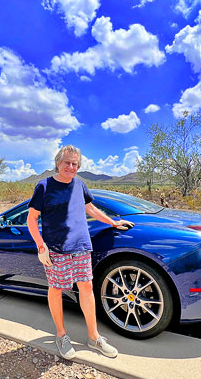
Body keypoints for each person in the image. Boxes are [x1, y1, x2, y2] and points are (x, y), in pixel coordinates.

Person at [26, 145, 133, 360]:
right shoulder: (44, 186)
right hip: (56, 249)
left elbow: (90, 208)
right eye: (67, 163)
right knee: (56, 289)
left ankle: (94, 337)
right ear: (58, 163)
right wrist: (41, 246)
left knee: (86, 288)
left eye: (75, 164)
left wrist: (113, 222)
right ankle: (61, 335)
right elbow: (32, 218)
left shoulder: (79, 184)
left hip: (82, 246)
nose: (71, 167)